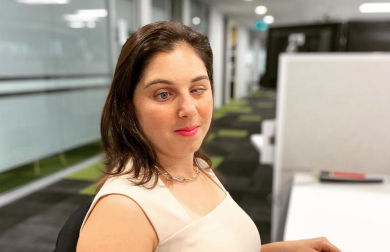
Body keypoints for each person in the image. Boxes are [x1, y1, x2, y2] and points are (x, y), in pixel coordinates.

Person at [77, 21, 341, 252]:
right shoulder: (123, 210)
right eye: (164, 94)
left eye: (198, 89)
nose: (189, 109)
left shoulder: (196, 166)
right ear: (128, 105)